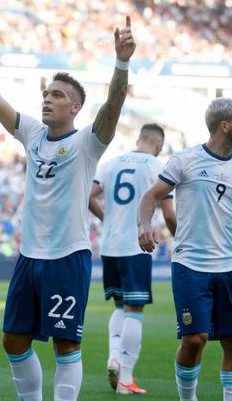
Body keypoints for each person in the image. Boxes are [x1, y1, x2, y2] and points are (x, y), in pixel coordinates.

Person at [0, 15, 136, 401]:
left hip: (67, 256)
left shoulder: (88, 142)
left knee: (66, 345)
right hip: (29, 256)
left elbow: (113, 106)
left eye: (58, 95)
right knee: (13, 340)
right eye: (47, 94)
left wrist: (121, 61)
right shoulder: (33, 134)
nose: (48, 99)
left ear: (75, 106)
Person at [138, 97, 232, 401]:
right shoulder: (185, 160)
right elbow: (151, 196)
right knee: (194, 339)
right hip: (190, 265)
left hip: (231, 267)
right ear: (225, 126)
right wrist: (144, 225)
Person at [89, 123, 176, 395]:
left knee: (119, 306)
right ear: (159, 145)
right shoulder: (157, 166)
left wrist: (107, 219)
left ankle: (115, 356)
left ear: (139, 139)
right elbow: (168, 212)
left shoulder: (111, 163)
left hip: (109, 244)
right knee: (134, 310)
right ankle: (125, 378)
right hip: (137, 244)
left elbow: (88, 196)